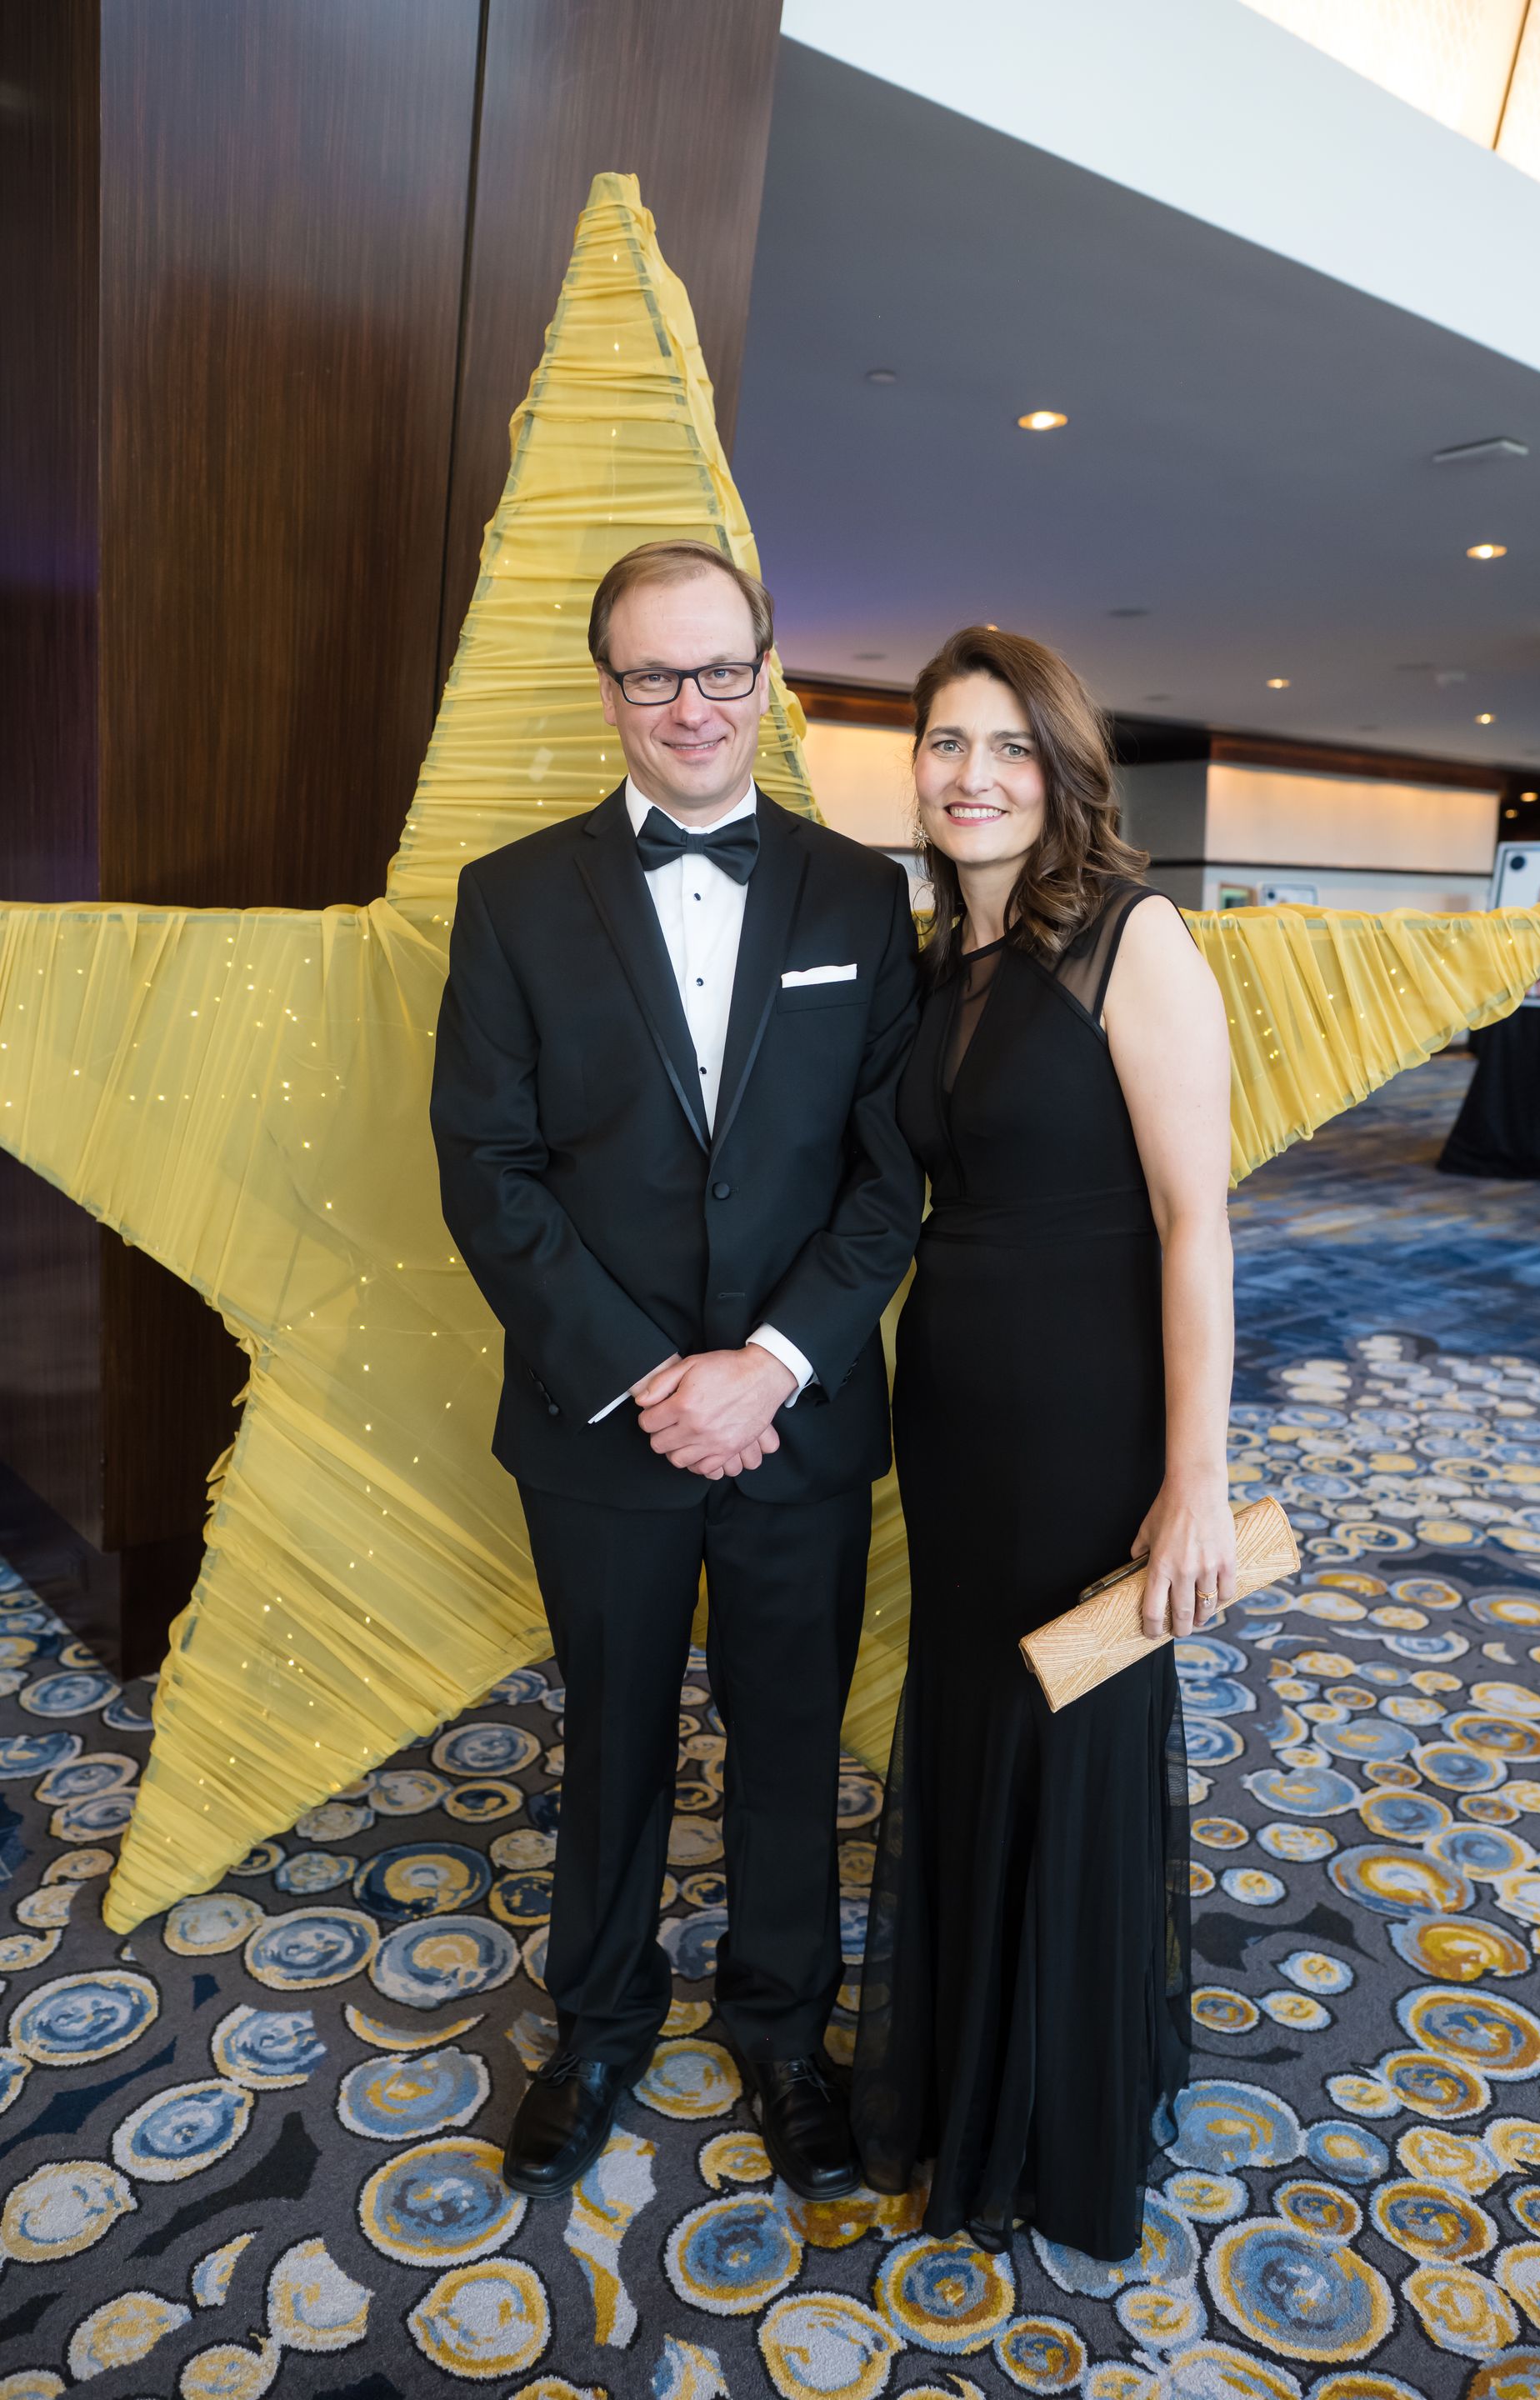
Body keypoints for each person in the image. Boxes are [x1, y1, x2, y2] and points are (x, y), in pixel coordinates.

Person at [430, 539, 923, 2201]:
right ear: (609, 690)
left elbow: (887, 1176)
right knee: (615, 1736)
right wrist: (656, 1376)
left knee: (789, 1740)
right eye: (655, 673)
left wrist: (769, 1365)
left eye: (722, 669)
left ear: (768, 673)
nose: (692, 704)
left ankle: (785, 2027)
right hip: (602, 1422)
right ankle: (599, 2019)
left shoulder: (865, 894)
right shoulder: (509, 898)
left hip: (802, 1413)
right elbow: (483, 1169)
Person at [852, 626, 1235, 2258]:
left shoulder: (1133, 939)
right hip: (953, 1407)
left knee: (1064, 1728)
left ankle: (1050, 2114)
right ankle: (958, 2077)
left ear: (1062, 768)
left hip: (1089, 1412)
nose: (973, 774)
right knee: (968, 1720)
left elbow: (1193, 1222)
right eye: (948, 743)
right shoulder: (940, 961)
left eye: (1009, 746)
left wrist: (1196, 1477)